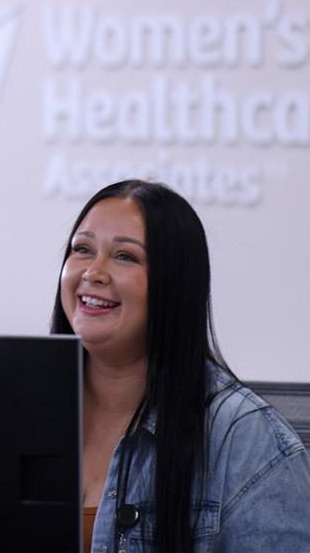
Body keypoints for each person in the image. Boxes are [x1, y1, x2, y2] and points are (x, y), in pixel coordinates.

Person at [50, 179, 310, 552]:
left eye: (125, 256)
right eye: (82, 249)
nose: (93, 272)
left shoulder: (248, 441)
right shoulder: (12, 407)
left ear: (175, 284)